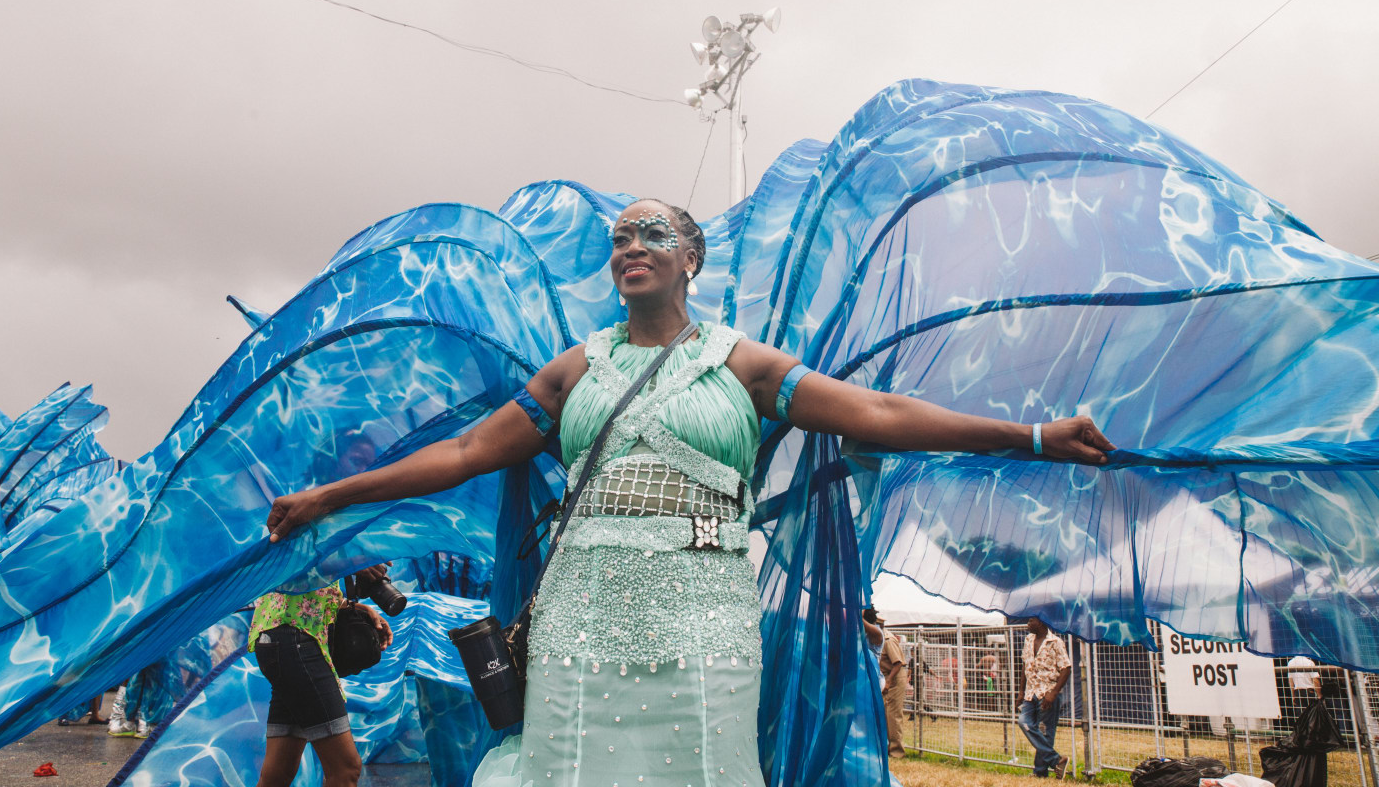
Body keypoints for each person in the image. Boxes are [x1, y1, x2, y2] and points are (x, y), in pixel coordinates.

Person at [266, 199, 1115, 786]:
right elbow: (464, 452)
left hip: (702, 615)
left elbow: (881, 412)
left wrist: (1033, 436)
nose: (631, 246)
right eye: (621, 238)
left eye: (654, 234)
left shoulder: (744, 364)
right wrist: (330, 497)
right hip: (581, 615)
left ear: (691, 259)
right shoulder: (577, 369)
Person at [249, 565, 394, 787]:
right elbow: (301, 548)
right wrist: (356, 561)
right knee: (345, 768)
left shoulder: (332, 536)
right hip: (295, 638)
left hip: (286, 638)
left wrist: (355, 606)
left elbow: (305, 583)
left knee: (279, 772)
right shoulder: (313, 532)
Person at [1016, 617, 1071, 779]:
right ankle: (1056, 760)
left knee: (1045, 731)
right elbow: (1026, 666)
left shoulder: (1055, 642)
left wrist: (1054, 692)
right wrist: (1020, 692)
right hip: (1030, 693)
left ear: (1040, 622)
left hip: (1047, 693)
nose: (1028, 624)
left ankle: (1040, 772)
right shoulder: (1028, 640)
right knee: (1024, 722)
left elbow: (1066, 668)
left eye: (1030, 621)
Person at [876, 616, 910, 760]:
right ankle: (886, 747)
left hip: (894, 678)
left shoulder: (888, 640)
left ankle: (897, 752)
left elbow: (898, 663)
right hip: (886, 676)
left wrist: (888, 683)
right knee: (884, 714)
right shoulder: (878, 639)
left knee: (893, 715)